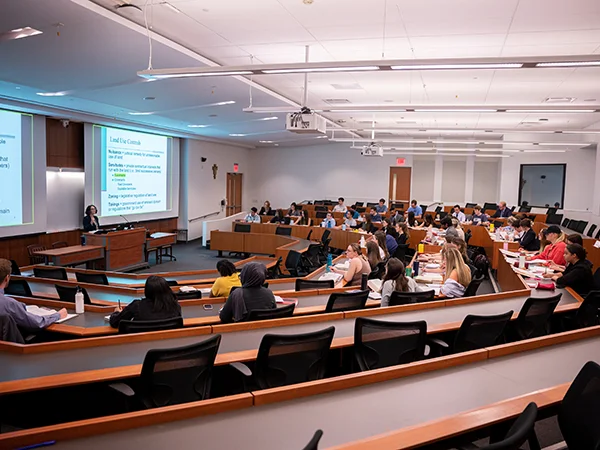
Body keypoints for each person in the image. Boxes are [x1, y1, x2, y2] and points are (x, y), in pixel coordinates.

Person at [0, 258, 68, 331]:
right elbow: (37, 323)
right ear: (7, 278)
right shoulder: (10, 304)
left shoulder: (10, 304)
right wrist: (58, 315)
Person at [109, 276, 182, 328]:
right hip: (168, 344)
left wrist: (116, 312)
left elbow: (115, 322)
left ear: (147, 291)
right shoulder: (175, 306)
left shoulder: (137, 306)